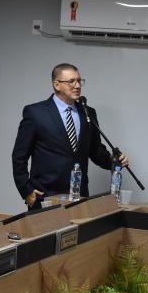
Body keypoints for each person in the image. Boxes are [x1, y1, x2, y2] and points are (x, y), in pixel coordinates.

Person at [12, 63, 127, 207]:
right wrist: (26, 190)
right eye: (71, 81)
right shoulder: (36, 113)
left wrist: (115, 161)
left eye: (79, 81)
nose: (77, 85)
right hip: (46, 196)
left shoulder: (88, 112)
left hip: (79, 197)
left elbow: (96, 151)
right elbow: (19, 156)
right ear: (57, 85)